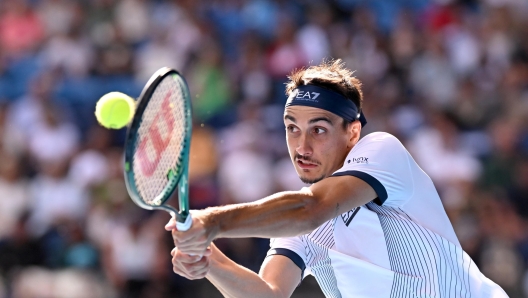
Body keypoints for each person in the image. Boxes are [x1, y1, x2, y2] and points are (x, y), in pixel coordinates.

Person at [165, 60, 508, 297]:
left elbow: (312, 208)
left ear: (353, 132)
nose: (302, 146)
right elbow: (268, 294)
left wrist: (212, 221)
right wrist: (208, 258)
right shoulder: (295, 224)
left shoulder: (383, 151)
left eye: (319, 129)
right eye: (292, 129)